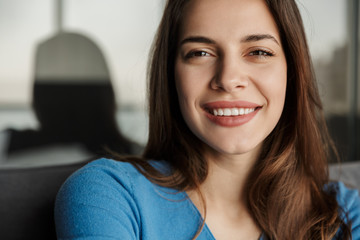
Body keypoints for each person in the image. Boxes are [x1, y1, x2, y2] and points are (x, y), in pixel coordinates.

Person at [55, 0, 360, 239]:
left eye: (258, 51)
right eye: (200, 53)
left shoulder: (346, 215)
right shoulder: (110, 196)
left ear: (291, 72)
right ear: (171, 75)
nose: (228, 79)